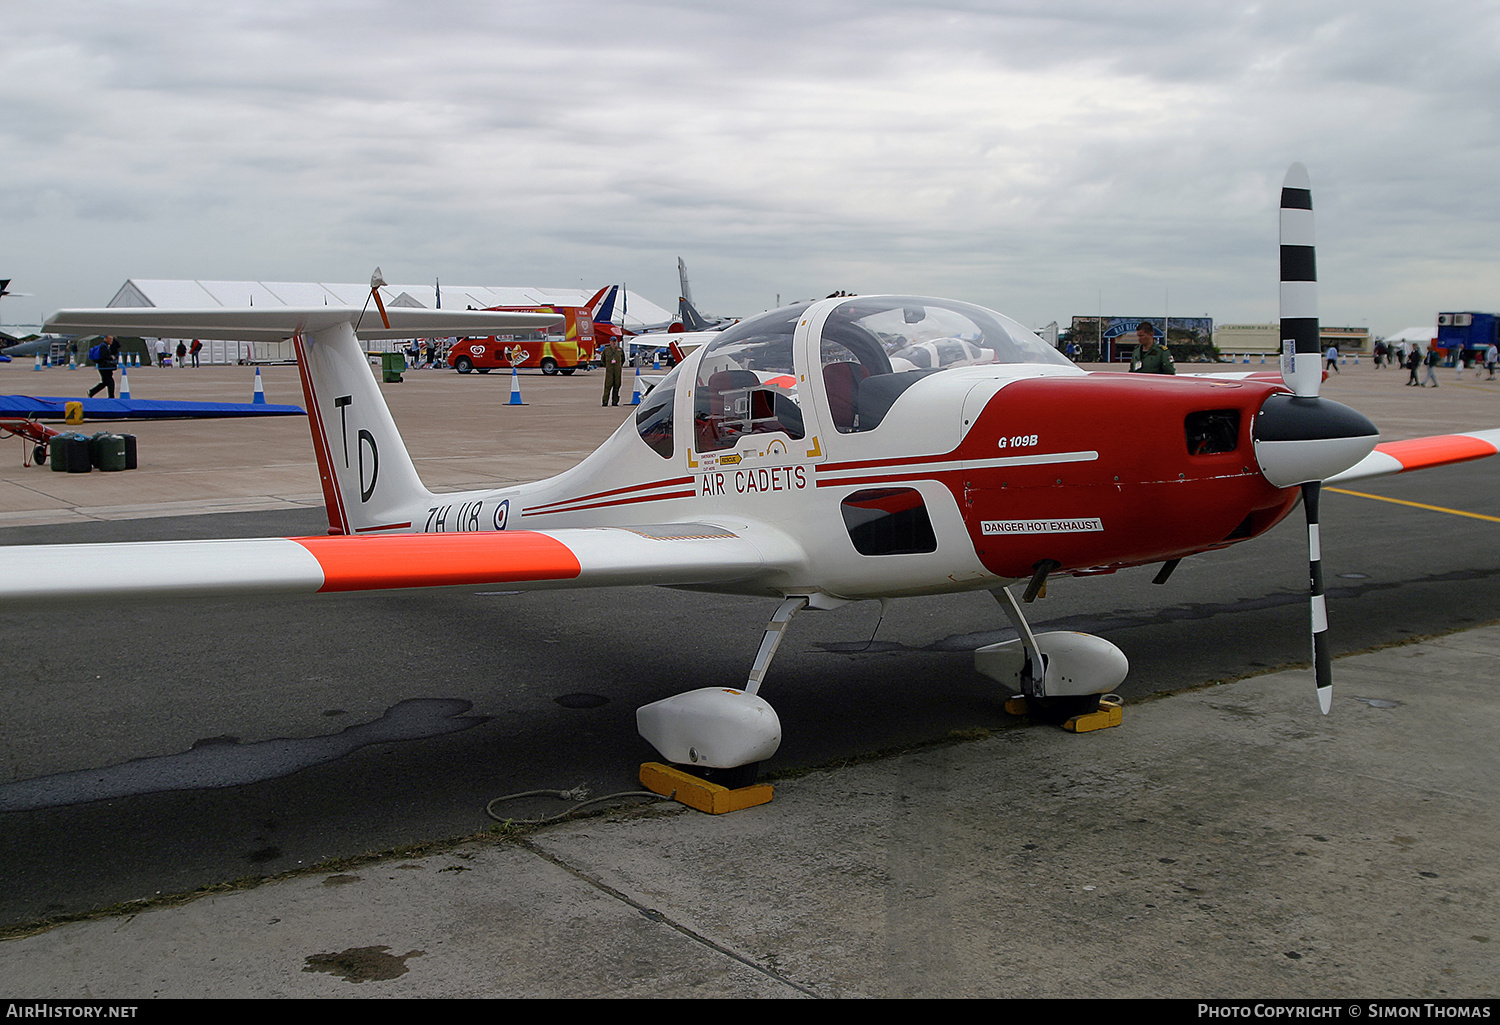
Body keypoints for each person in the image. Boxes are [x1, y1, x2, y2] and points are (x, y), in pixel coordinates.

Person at [600, 337, 626, 405]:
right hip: (609, 371)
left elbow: (623, 359)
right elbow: (603, 360)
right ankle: (605, 401)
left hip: (617, 371)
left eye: (615, 341)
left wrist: (619, 366)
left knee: (617, 386)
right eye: (612, 341)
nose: (614, 343)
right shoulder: (606, 350)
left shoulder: (620, 350)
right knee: (607, 386)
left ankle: (615, 401)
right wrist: (607, 366)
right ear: (610, 342)